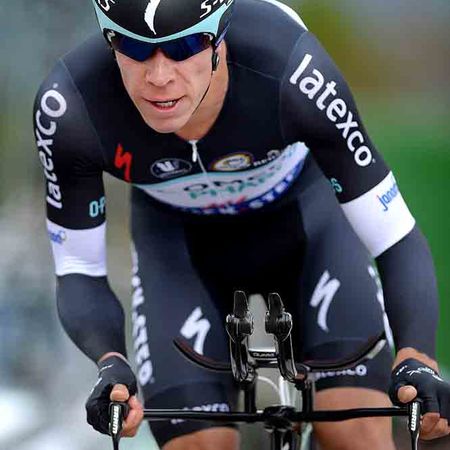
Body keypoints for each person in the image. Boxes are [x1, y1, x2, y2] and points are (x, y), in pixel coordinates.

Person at [34, 0, 450, 449]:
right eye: (133, 48)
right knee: (197, 444)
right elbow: (79, 269)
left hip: (305, 219)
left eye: (185, 46)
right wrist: (111, 363)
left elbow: (394, 235)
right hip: (178, 247)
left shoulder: (294, 71)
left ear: (221, 35)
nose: (158, 76)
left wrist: (416, 357)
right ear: (108, 40)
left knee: (354, 432)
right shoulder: (69, 106)